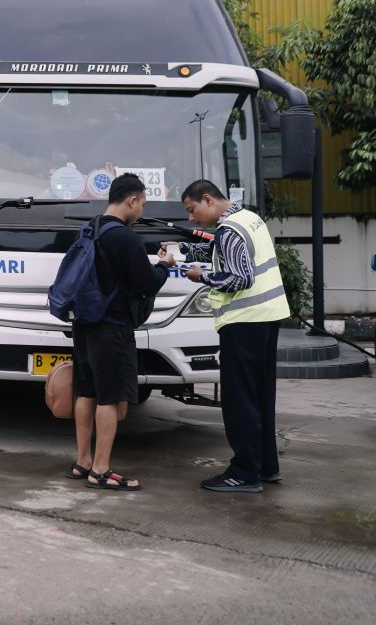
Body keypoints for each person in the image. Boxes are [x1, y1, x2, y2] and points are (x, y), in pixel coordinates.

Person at [160, 180, 290, 493]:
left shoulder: (230, 229)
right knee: (260, 397)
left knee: (240, 400)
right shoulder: (248, 218)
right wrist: (185, 250)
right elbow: (225, 251)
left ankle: (244, 473)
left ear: (207, 199)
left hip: (244, 322)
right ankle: (265, 467)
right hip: (266, 317)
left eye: (192, 210)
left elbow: (240, 277)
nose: (191, 218)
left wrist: (199, 275)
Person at [70, 172, 169, 492]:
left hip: (84, 324)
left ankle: (82, 461)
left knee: (86, 391)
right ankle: (100, 470)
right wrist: (164, 264)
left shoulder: (91, 227)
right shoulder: (125, 237)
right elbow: (146, 284)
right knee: (110, 398)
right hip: (112, 328)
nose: (142, 209)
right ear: (132, 200)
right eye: (142, 203)